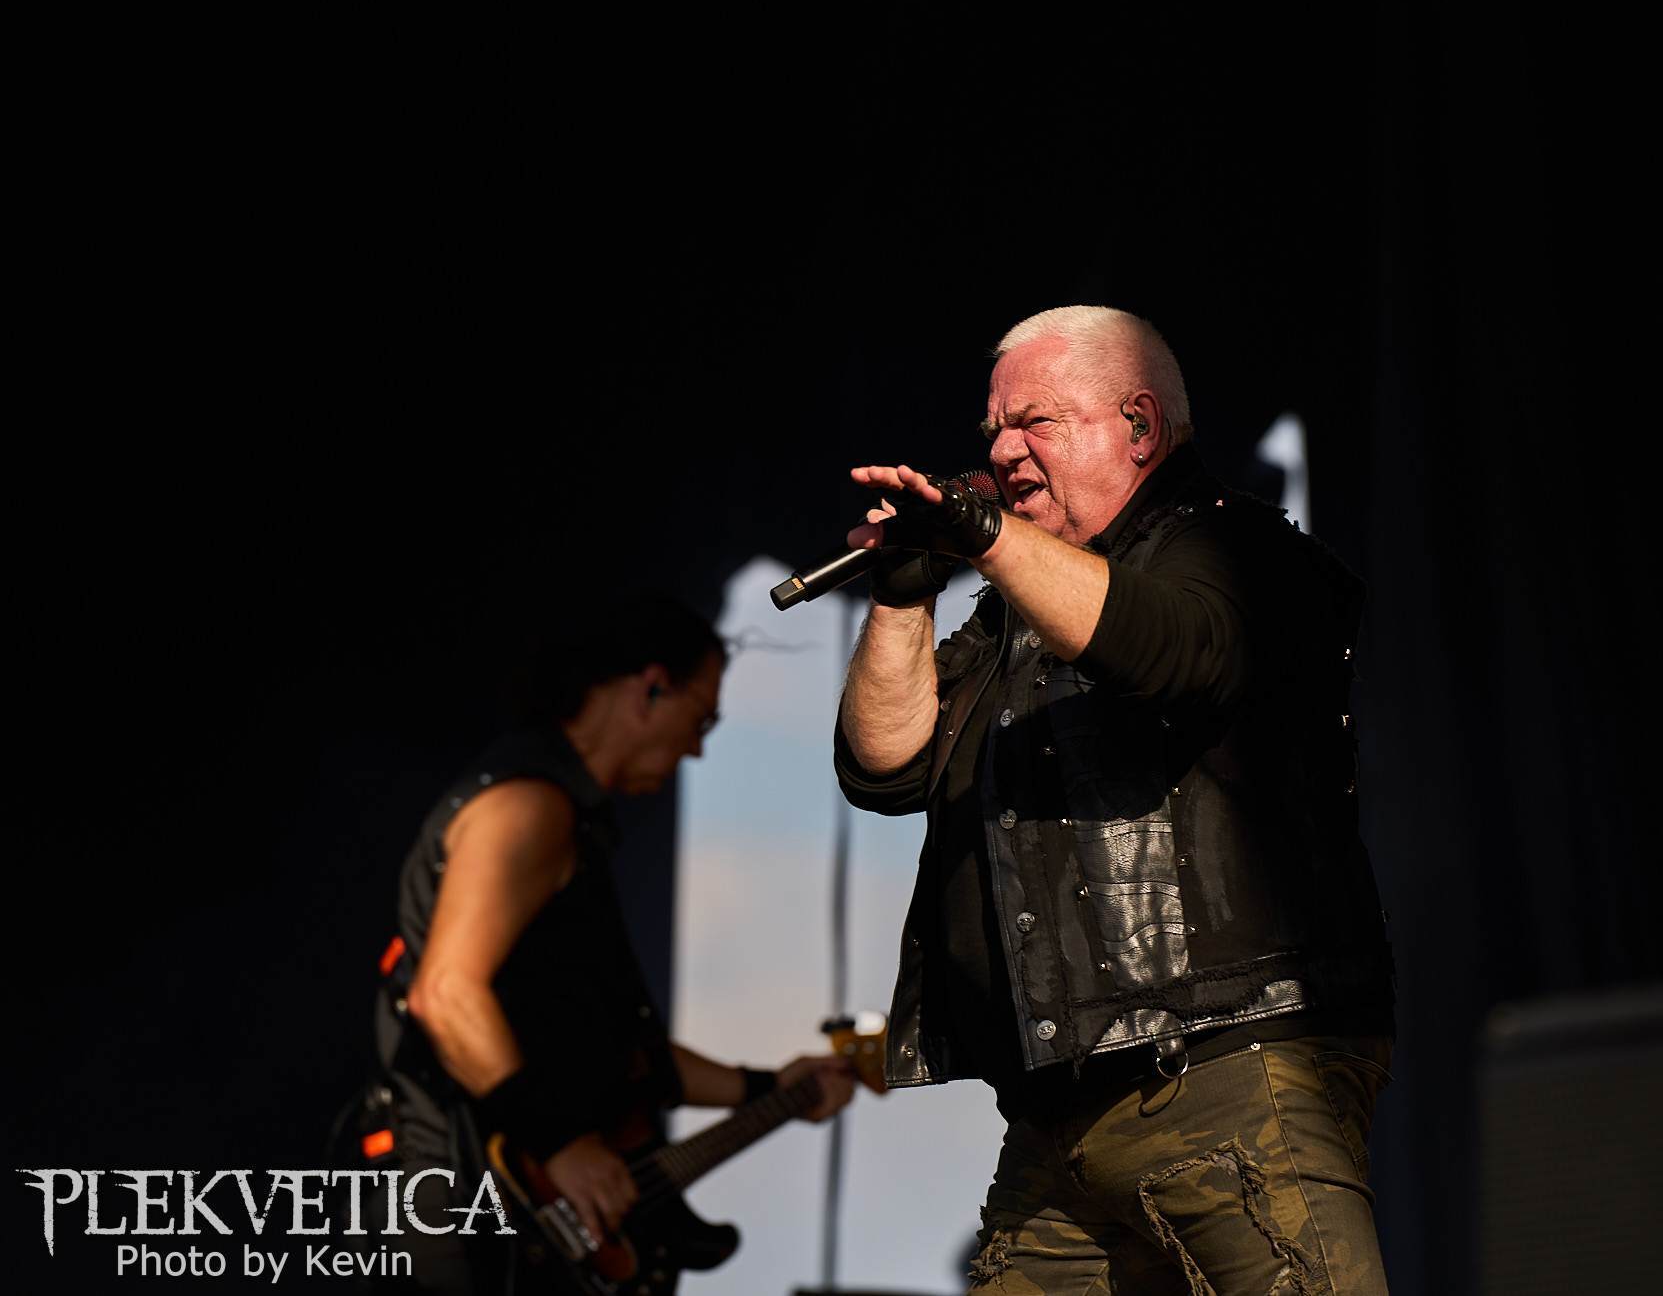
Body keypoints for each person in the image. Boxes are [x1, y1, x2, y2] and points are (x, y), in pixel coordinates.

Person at [835, 307, 1397, 1294]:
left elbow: (1171, 650)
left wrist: (985, 534)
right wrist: (900, 592)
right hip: (1056, 1118)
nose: (1001, 451)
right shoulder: (1011, 610)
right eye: (993, 432)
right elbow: (885, 767)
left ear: (1138, 425)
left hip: (1226, 1070)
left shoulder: (1240, 545)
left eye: (1033, 423)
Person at [352, 594, 857, 1293]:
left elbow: (625, 1057)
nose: (697, 747)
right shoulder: (529, 806)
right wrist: (560, 1144)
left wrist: (771, 1087)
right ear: (650, 687)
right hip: (462, 1207)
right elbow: (445, 994)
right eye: (701, 719)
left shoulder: (572, 822)